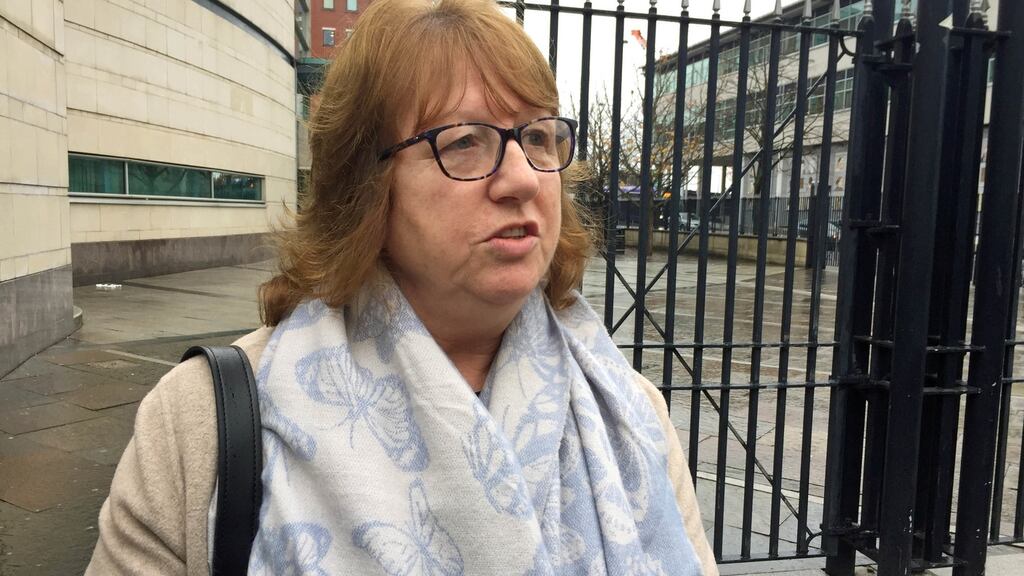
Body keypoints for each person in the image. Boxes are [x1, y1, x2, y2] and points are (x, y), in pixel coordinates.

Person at [86, 0, 718, 573]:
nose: (522, 178)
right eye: (466, 142)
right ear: (366, 186)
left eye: (536, 137)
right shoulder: (206, 423)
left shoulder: (629, 412)